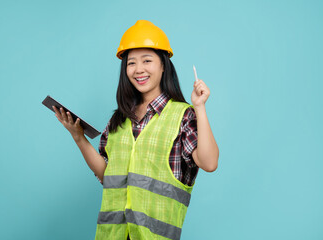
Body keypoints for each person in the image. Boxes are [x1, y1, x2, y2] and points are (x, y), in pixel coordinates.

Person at [52, 20, 219, 240]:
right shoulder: (119, 119)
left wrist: (200, 108)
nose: (138, 69)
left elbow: (209, 163)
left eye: (147, 60)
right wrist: (79, 138)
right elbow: (108, 176)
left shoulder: (182, 116)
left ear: (163, 65)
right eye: (131, 63)